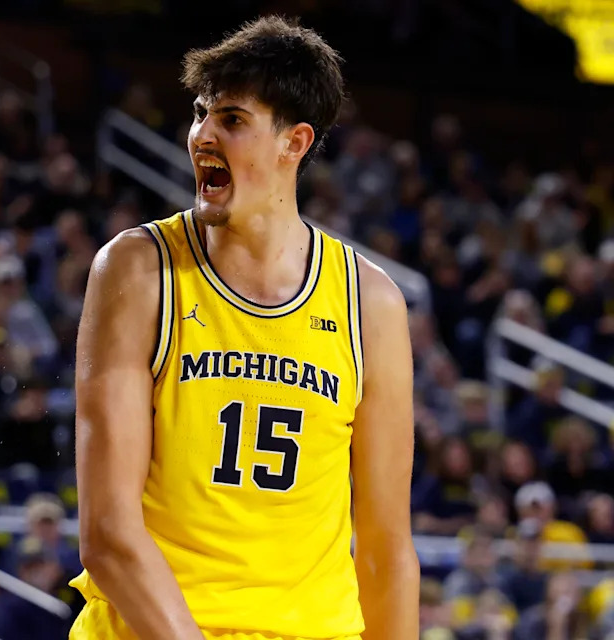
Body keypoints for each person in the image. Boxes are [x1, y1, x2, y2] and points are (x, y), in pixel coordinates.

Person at [70, 15, 418, 640]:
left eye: (231, 120)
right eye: (201, 113)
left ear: (295, 142)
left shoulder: (373, 305)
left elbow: (386, 551)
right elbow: (108, 533)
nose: (202, 134)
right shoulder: (139, 271)